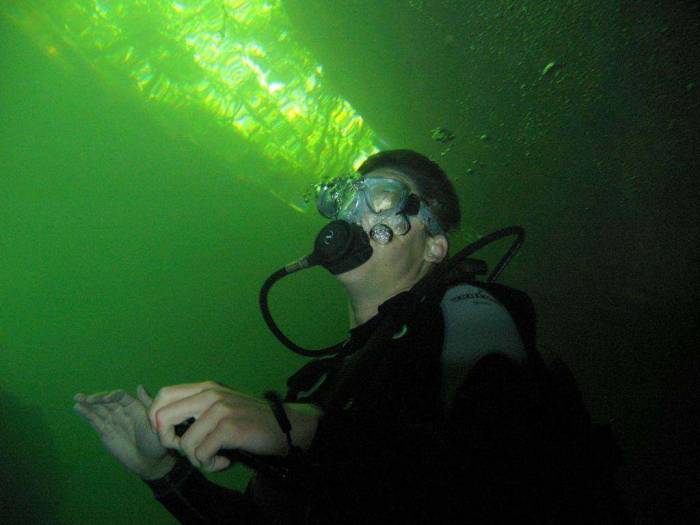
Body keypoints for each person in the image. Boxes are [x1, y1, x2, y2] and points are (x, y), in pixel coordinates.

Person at [74, 150, 610, 523]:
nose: (356, 215)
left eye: (379, 198)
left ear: (434, 246)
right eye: (348, 198)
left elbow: (492, 477)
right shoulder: (330, 386)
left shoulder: (469, 310)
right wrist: (162, 474)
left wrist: (304, 434)